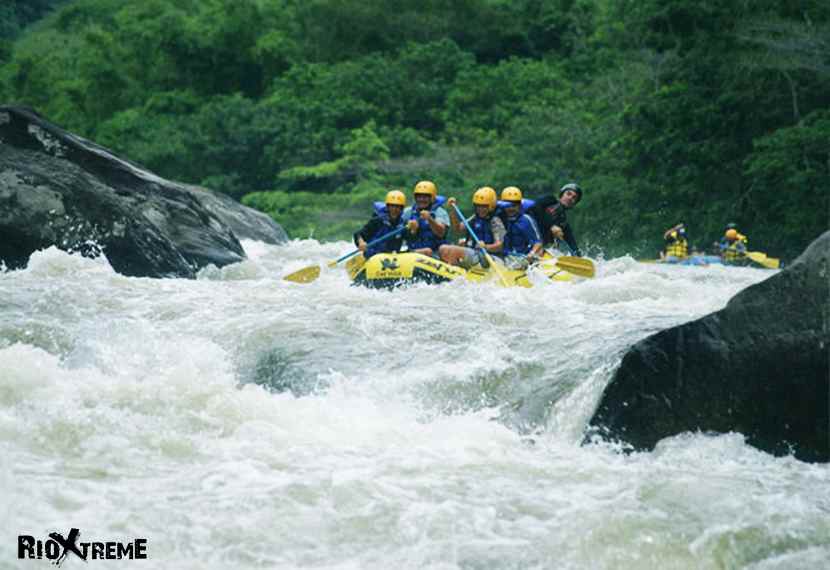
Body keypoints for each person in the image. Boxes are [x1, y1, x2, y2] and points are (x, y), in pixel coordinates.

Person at [439, 187, 505, 268]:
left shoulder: (495, 221)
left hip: (491, 258)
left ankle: (453, 271)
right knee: (444, 249)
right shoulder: (475, 218)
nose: (480, 209)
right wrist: (453, 211)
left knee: (445, 249)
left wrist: (486, 247)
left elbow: (500, 245)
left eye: (484, 206)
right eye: (478, 206)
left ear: (491, 206)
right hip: (477, 254)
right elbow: (458, 228)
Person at [526, 182, 583, 256]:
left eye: (574, 198)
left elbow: (570, 240)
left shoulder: (562, 221)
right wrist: (551, 226)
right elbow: (535, 208)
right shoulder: (550, 200)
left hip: (536, 247)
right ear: (562, 194)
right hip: (525, 237)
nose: (570, 198)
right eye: (568, 194)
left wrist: (577, 253)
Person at [498, 186, 543, 269]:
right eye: (508, 205)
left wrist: (532, 253)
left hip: (523, 257)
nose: (511, 208)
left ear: (519, 205)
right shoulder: (499, 218)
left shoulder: (526, 220)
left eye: (514, 205)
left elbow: (538, 242)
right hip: (505, 257)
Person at [353, 190, 407, 258]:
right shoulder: (378, 221)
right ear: (387, 207)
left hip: (391, 258)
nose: (394, 209)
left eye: (397, 206)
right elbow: (358, 234)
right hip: (373, 257)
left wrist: (413, 230)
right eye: (392, 206)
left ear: (402, 208)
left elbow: (411, 240)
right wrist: (361, 242)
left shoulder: (404, 224)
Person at [403, 180, 450, 257]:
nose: (421, 199)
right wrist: (411, 230)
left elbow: (441, 233)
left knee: (427, 251)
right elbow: (399, 231)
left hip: (435, 253)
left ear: (432, 198)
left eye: (425, 197)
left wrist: (430, 219)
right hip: (415, 252)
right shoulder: (408, 212)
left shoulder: (440, 212)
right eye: (419, 196)